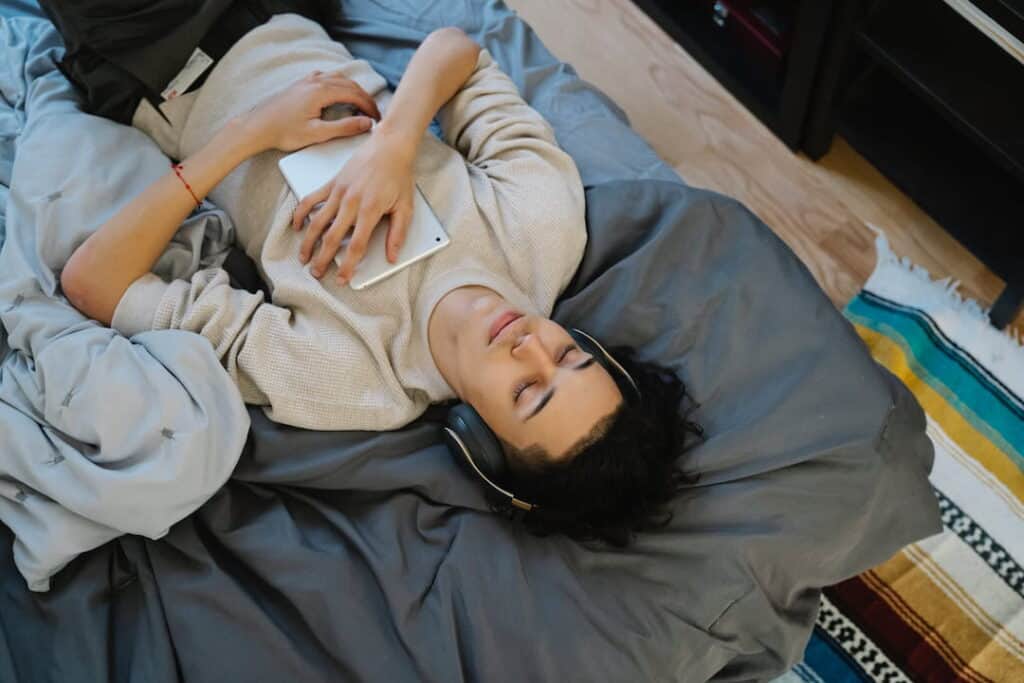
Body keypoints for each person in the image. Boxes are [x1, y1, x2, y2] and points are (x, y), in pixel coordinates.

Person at [59, 12, 701, 544]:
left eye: (528, 390)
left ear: (481, 440)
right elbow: (459, 53)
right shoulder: (543, 231)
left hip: (159, 58)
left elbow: (95, 281)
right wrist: (394, 144)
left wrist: (249, 134)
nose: (530, 344)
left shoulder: (351, 378)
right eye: (568, 355)